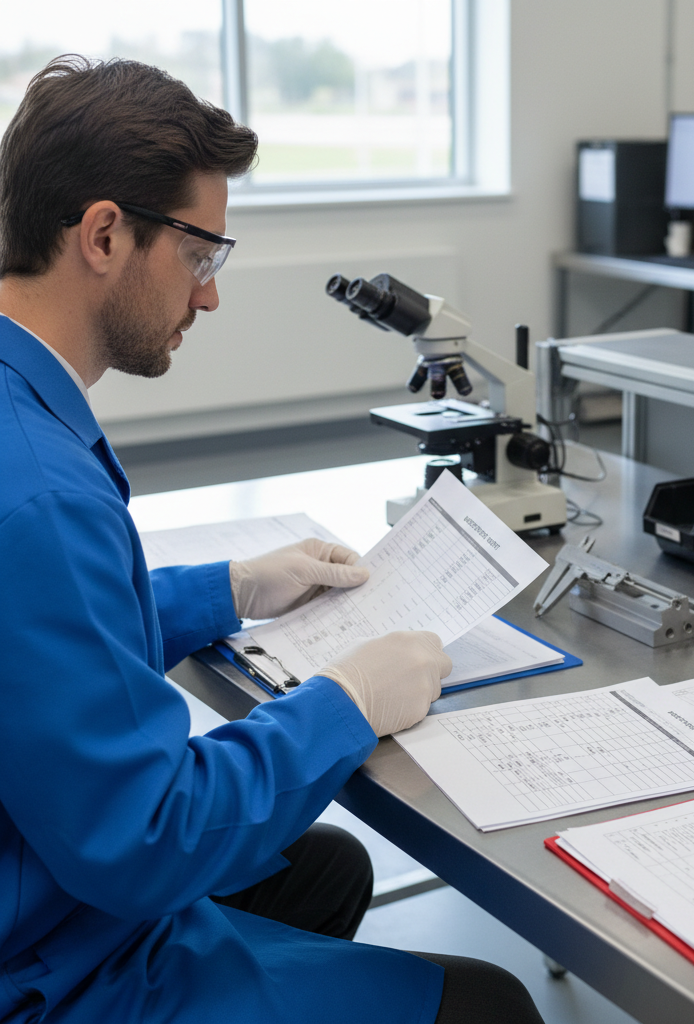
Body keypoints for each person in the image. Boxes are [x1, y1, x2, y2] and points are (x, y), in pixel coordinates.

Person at [0, 56, 546, 1024]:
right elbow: (152, 835)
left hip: (39, 872)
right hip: (49, 967)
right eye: (201, 256)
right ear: (102, 234)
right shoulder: (38, 491)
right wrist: (345, 700)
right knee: (487, 1004)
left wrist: (232, 587)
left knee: (322, 863)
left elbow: (42, 634)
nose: (208, 297)